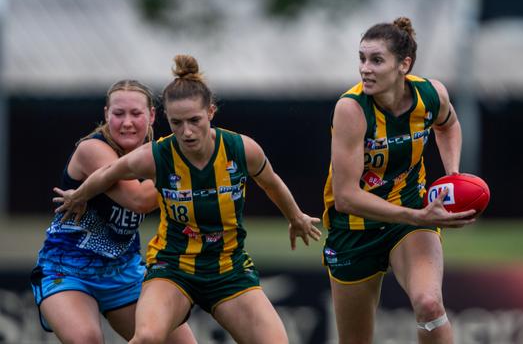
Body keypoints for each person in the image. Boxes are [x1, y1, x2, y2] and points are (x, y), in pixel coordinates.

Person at [54, 54, 322, 344]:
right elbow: (107, 174)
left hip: (228, 268)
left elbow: (271, 183)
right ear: (166, 119)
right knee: (146, 337)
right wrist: (78, 195)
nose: (187, 132)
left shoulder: (241, 149)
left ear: (211, 112)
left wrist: (296, 217)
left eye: (194, 120)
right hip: (173, 267)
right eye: (177, 122)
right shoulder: (155, 155)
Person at [321, 17, 478, 344]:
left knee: (430, 304)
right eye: (362, 59)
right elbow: (346, 196)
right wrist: (417, 215)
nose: (365, 68)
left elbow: (448, 124)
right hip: (354, 228)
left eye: (376, 60)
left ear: (403, 65)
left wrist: (453, 176)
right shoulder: (351, 109)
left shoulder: (430, 95)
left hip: (409, 216)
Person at [30, 80, 196, 343]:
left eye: (136, 114)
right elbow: (139, 200)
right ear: (107, 114)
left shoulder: (157, 155)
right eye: (118, 114)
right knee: (87, 339)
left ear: (152, 116)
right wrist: (190, 168)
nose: (127, 122)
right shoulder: (92, 150)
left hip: (124, 271)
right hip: (67, 270)